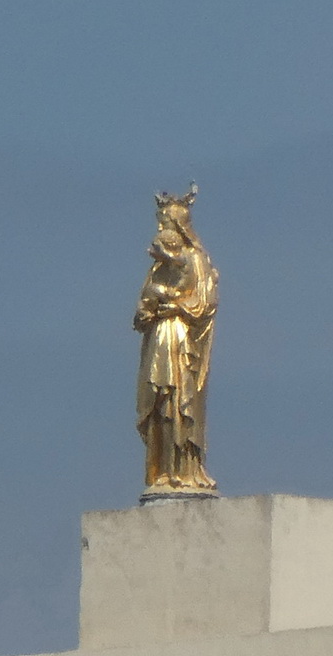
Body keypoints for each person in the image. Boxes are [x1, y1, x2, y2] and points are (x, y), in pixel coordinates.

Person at [134, 184, 219, 497]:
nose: (161, 232)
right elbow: (142, 308)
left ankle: (184, 470)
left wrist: (173, 305)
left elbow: (204, 303)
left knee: (179, 402)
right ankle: (163, 471)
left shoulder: (196, 260)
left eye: (167, 225)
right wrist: (146, 312)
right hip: (159, 338)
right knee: (158, 404)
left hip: (182, 340)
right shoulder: (158, 267)